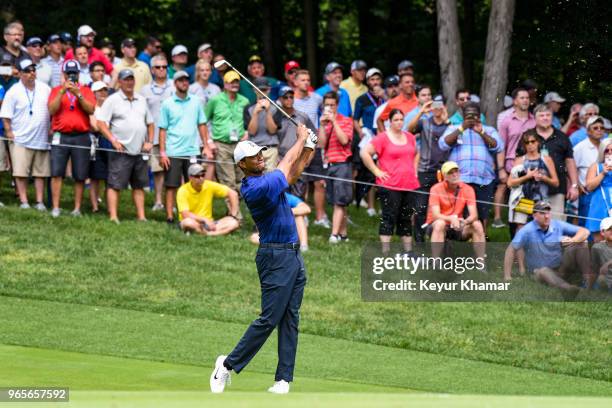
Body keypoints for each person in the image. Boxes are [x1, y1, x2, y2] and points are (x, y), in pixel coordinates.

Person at [209, 125, 315, 395]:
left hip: (292, 254)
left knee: (290, 317)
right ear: (242, 164)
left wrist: (309, 148)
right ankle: (226, 365)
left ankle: (283, 380)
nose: (260, 157)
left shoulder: (269, 180)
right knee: (269, 318)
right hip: (274, 256)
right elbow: (286, 164)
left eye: (260, 154)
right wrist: (301, 139)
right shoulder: (254, 188)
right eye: (254, 156)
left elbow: (294, 171)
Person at [96, 69, 154, 223]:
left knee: (139, 185)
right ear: (120, 82)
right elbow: (101, 123)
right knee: (114, 184)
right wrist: (113, 140)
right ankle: (113, 216)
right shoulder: (112, 100)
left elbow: (150, 123)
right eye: (126, 80)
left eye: (131, 79)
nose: (129, 82)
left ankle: (141, 217)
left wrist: (150, 141)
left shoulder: (141, 100)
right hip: (121, 149)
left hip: (140, 149)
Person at [361, 109, 419, 253]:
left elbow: (416, 153)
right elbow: (365, 153)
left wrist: (415, 170)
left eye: (401, 119)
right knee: (389, 216)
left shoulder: (409, 137)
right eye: (396, 120)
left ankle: (408, 251)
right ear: (390, 122)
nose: (399, 123)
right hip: (390, 184)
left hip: (409, 184)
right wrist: (377, 171)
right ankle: (385, 251)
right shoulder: (382, 138)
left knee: (406, 217)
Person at [159, 70, 212, 224]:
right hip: (173, 151)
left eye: (186, 80)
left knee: (195, 183)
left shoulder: (196, 101)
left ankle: (193, 216)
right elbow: (162, 129)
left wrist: (206, 146)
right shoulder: (167, 103)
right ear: (175, 83)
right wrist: (163, 152)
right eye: (180, 80)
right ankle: (169, 216)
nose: (184, 83)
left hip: (193, 150)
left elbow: (202, 125)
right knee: (171, 185)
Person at [503, 200, 592, 293]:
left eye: (548, 213)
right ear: (534, 215)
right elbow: (510, 249)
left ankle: (587, 283)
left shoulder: (557, 224)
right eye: (542, 213)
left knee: (582, 242)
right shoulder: (527, 230)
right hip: (539, 273)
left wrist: (573, 240)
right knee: (543, 271)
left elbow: (585, 231)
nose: (547, 216)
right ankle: (568, 288)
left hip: (560, 268)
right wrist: (507, 277)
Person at [440, 102, 503, 227]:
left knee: (482, 215)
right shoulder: (454, 128)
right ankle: (458, 240)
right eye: (468, 115)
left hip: (483, 179)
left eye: (474, 115)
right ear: (463, 116)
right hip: (460, 180)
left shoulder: (489, 130)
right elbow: (443, 144)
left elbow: (498, 146)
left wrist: (481, 132)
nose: (471, 118)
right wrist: (461, 128)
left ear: (479, 116)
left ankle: (480, 240)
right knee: (458, 213)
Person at [0, 59, 51, 210]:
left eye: (33, 70)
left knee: (40, 172)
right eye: (28, 71)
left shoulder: (45, 88)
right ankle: (24, 201)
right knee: (21, 172)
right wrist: (9, 132)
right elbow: (5, 115)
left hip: (41, 138)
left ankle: (40, 201)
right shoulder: (13, 91)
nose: (31, 73)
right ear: (21, 74)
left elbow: (52, 109)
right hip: (20, 138)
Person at [48, 59, 96, 217]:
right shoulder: (56, 90)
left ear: (78, 74)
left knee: (80, 175)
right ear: (63, 74)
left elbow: (90, 110)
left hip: (81, 136)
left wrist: (79, 95)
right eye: (68, 73)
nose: (71, 76)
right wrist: (63, 91)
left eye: (74, 73)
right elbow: (52, 110)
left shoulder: (86, 90)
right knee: (56, 173)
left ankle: (77, 208)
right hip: (61, 135)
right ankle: (56, 207)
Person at [515, 104, 579, 221]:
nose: (545, 118)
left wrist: (574, 186)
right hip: (528, 189)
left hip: (557, 189)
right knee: (525, 222)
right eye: (541, 115)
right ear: (535, 118)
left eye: (548, 115)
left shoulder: (562, 137)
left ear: (552, 117)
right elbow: (518, 160)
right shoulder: (527, 136)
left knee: (555, 223)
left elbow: (570, 161)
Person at [407, 94, 450, 242]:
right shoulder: (425, 122)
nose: (437, 108)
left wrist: (447, 119)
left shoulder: (449, 125)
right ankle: (419, 243)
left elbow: (456, 139)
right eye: (434, 105)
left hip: (444, 173)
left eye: (440, 105)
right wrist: (422, 111)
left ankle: (441, 241)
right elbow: (409, 129)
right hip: (425, 171)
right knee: (420, 208)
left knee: (444, 208)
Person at [493, 87, 536, 228]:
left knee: (526, 200)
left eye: (527, 98)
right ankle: (502, 222)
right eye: (522, 98)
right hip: (512, 165)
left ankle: (524, 228)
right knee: (510, 195)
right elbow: (501, 147)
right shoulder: (506, 121)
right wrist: (501, 169)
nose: (525, 100)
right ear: (515, 101)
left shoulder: (534, 121)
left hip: (531, 165)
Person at [425, 161, 485, 259]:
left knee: (477, 224)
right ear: (444, 176)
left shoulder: (467, 189)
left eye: (456, 171)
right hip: (438, 225)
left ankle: (481, 263)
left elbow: (474, 215)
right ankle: (436, 262)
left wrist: (464, 222)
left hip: (458, 225)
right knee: (440, 223)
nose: (454, 175)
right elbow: (435, 215)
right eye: (450, 173)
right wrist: (451, 219)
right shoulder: (435, 189)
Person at [139, 54, 175, 211]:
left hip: (173, 136)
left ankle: (172, 203)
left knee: (173, 171)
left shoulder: (175, 86)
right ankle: (158, 201)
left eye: (164, 67)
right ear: (152, 70)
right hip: (154, 136)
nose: (162, 70)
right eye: (158, 67)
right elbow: (141, 114)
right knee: (158, 170)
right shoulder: (145, 90)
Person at [205, 70, 250, 192]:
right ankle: (234, 210)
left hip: (240, 144)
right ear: (225, 84)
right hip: (221, 144)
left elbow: (250, 121)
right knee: (227, 179)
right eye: (231, 82)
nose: (234, 84)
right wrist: (209, 141)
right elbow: (203, 121)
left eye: (236, 82)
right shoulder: (215, 100)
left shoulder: (244, 101)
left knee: (242, 177)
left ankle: (239, 205)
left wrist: (247, 132)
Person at [318, 91, 353, 243]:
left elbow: (344, 140)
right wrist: (321, 125)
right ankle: (343, 234)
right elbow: (321, 144)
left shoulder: (346, 121)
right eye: (327, 105)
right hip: (329, 164)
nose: (330, 107)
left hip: (342, 164)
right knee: (337, 201)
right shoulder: (324, 123)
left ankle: (334, 234)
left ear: (337, 105)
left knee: (340, 201)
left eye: (332, 105)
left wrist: (334, 121)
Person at [507, 130, 559, 231]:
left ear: (538, 142)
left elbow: (556, 182)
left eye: (533, 141)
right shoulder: (519, 160)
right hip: (523, 199)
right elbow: (510, 183)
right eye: (527, 142)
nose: (530, 145)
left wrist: (543, 177)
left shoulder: (546, 159)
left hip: (541, 200)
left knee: (542, 229)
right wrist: (528, 176)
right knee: (522, 229)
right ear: (524, 145)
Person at [353, 67, 385, 216]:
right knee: (370, 172)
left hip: (385, 136)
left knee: (385, 169)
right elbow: (354, 120)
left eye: (377, 79)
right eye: (372, 79)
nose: (375, 82)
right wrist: (361, 134)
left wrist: (385, 97)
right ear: (368, 82)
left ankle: (385, 204)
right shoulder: (362, 99)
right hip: (369, 137)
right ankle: (371, 206)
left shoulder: (386, 98)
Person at [177, 163, 240, 235]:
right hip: (193, 221)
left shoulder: (209, 185)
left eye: (203, 175)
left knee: (234, 222)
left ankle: (207, 233)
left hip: (210, 223)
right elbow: (185, 214)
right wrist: (204, 220)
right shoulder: (182, 190)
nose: (201, 178)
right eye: (197, 176)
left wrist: (233, 215)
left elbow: (233, 194)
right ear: (190, 178)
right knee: (188, 222)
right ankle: (215, 233)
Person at [574, 116, 607, 227]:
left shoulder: (607, 146)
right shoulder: (580, 147)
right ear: (588, 131)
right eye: (595, 127)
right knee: (587, 225)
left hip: (605, 193)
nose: (599, 130)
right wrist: (577, 184)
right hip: (587, 193)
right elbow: (570, 167)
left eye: (602, 128)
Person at [243, 77, 278, 171]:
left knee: (270, 181)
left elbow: (272, 131)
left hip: (271, 149)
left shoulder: (276, 107)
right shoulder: (249, 108)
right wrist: (255, 113)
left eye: (264, 90)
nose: (262, 92)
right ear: (254, 90)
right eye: (259, 89)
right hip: (254, 149)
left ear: (269, 90)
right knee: (256, 180)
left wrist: (268, 111)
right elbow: (251, 132)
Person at [88, 81, 111, 213]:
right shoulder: (92, 108)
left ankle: (109, 206)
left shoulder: (111, 107)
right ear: (94, 93)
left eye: (105, 90)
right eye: (100, 91)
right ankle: (95, 206)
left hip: (109, 142)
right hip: (95, 142)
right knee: (95, 176)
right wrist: (106, 128)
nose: (103, 93)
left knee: (110, 176)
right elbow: (95, 126)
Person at [584, 138, 612, 241]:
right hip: (599, 204)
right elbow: (589, 187)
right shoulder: (595, 166)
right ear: (602, 152)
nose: (609, 153)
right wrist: (603, 173)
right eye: (606, 150)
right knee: (600, 242)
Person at [591, 217, 612, 291]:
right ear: (602, 232)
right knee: (601, 279)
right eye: (610, 229)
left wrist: (608, 264)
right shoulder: (597, 247)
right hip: (606, 281)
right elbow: (594, 269)